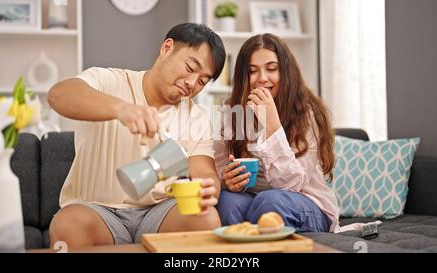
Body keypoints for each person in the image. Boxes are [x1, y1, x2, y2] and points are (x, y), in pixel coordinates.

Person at [47, 23, 226, 249]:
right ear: (167, 48)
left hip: (160, 212)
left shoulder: (196, 117)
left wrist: (208, 188)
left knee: (206, 218)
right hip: (97, 210)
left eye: (202, 81)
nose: (192, 83)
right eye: (190, 67)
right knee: (68, 225)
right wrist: (122, 109)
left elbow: (204, 171)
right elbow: (58, 95)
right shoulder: (109, 81)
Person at [214, 33, 340, 233]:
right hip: (253, 197)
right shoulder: (231, 113)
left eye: (272, 69)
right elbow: (218, 167)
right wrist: (225, 179)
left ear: (286, 72)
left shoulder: (307, 113)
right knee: (227, 201)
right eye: (252, 71)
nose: (262, 78)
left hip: (307, 202)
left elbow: (292, 185)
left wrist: (271, 124)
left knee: (271, 202)